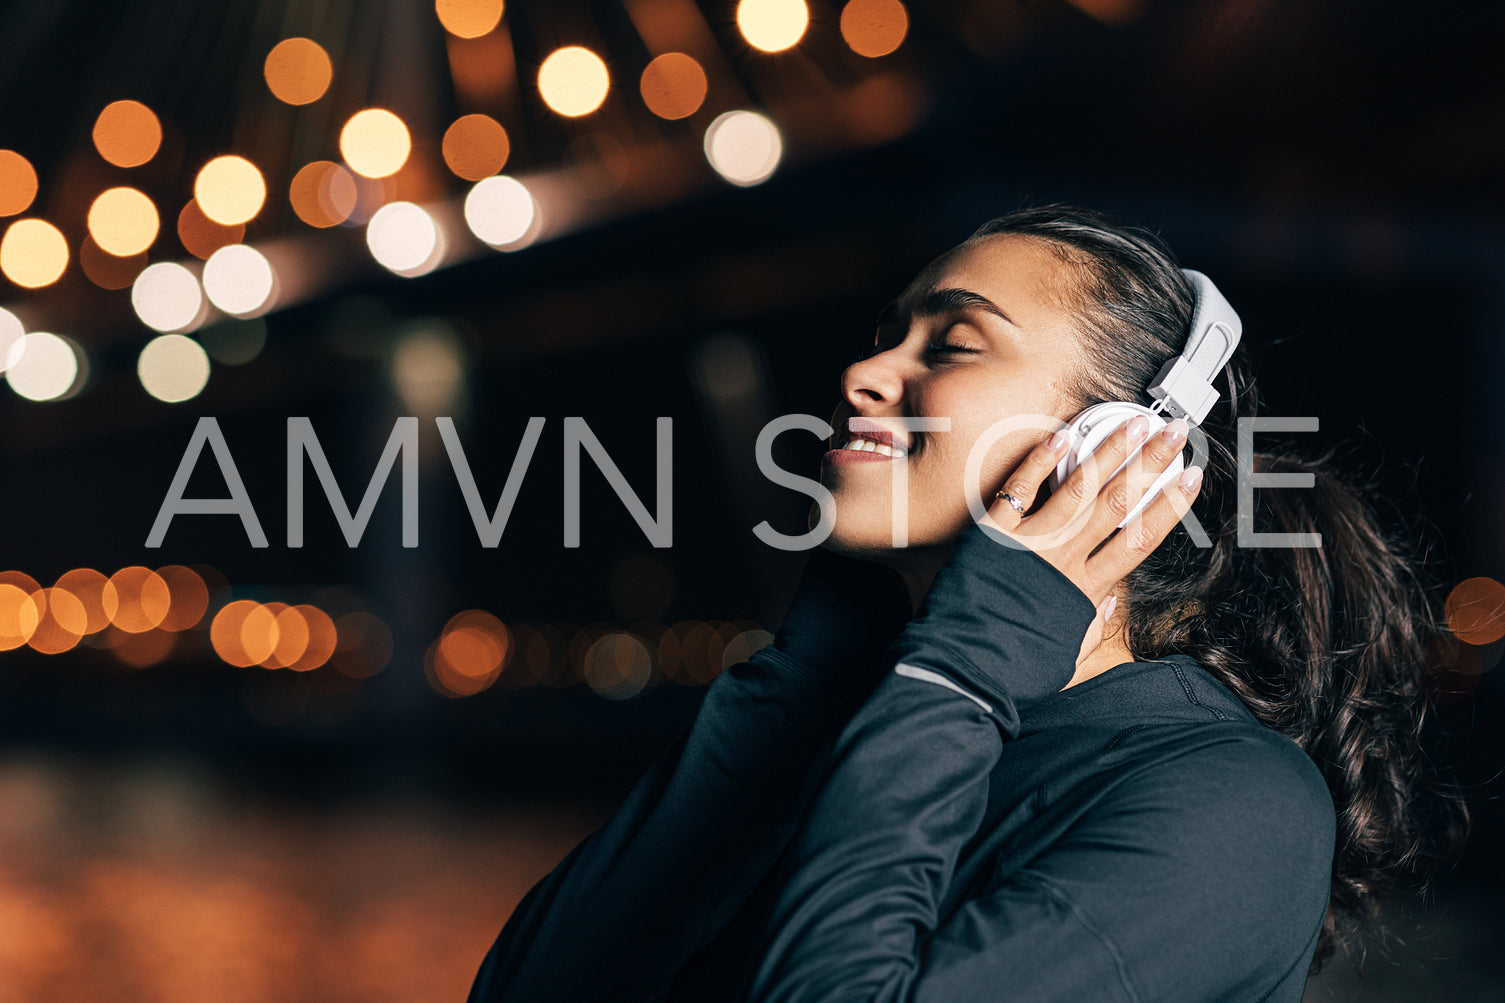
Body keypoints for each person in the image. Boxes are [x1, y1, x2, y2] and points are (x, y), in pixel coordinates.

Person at [467, 204, 1467, 1002]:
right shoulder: (845, 724)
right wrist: (802, 671)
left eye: (949, 344)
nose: (860, 373)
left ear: (1119, 441)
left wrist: (973, 646)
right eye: (880, 337)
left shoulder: (1227, 804)